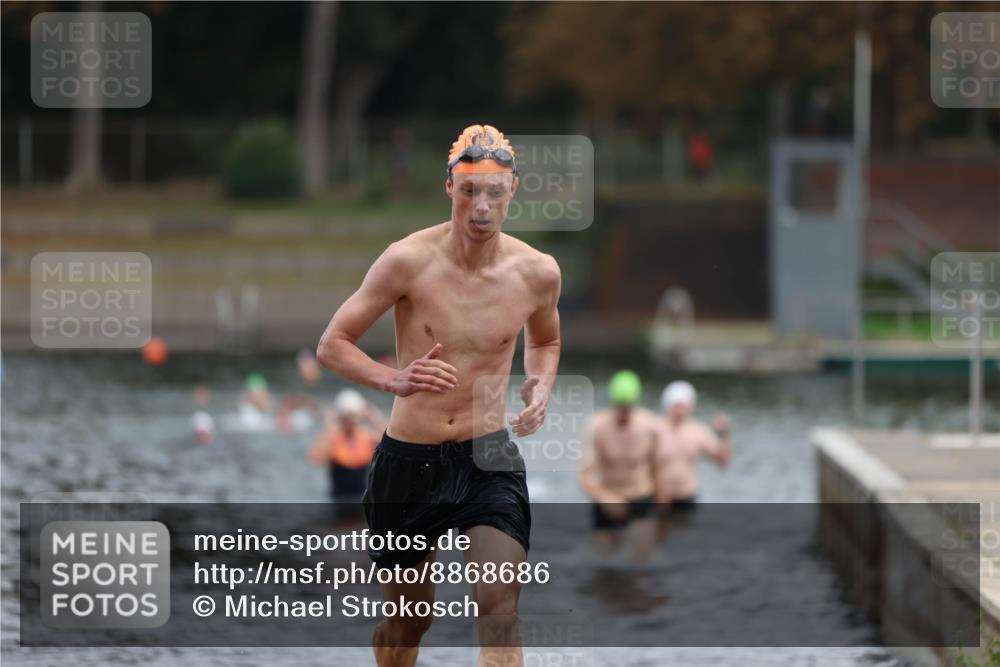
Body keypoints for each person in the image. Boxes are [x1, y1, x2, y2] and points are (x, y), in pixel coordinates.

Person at [317, 123, 561, 667]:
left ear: (512, 191)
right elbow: (333, 344)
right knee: (410, 621)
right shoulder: (407, 260)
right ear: (449, 187)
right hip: (411, 457)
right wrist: (393, 379)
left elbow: (546, 339)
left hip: (489, 453)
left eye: (494, 192)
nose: (481, 206)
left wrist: (540, 382)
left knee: (498, 604)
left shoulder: (537, 272)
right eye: (470, 190)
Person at [579, 370, 669, 563]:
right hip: (607, 501)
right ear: (613, 402)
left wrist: (663, 508)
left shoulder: (650, 425)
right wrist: (604, 496)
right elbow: (585, 476)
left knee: (641, 564)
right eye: (620, 406)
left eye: (628, 406)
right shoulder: (598, 426)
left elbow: (657, 470)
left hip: (641, 498)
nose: (624, 412)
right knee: (601, 564)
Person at [656, 380, 731, 514]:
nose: (679, 410)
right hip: (659, 498)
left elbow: (722, 462)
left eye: (683, 405)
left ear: (690, 406)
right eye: (676, 405)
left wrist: (723, 434)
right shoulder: (655, 430)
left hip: (687, 499)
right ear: (667, 405)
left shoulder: (698, 432)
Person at [308, 389, 386, 508]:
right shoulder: (333, 439)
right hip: (339, 503)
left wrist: (374, 416)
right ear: (341, 417)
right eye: (347, 417)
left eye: (353, 416)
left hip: (362, 503)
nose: (350, 421)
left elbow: (391, 444)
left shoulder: (367, 438)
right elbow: (316, 458)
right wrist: (329, 424)